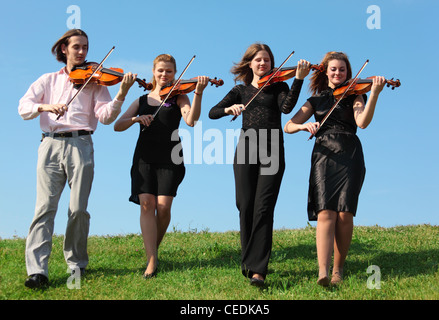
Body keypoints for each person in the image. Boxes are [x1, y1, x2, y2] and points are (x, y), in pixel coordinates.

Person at [18, 29, 136, 289]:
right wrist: (46, 107)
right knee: (44, 208)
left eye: (85, 47)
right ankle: (37, 271)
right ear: (64, 49)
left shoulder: (95, 82)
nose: (82, 52)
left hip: (81, 144)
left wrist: (121, 93)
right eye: (77, 47)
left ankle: (76, 264)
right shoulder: (47, 80)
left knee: (78, 209)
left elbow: (105, 117)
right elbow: (23, 107)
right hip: (49, 143)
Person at [209, 43, 309, 286]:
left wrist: (298, 79)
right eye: (258, 60)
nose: (263, 63)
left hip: (272, 145)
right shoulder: (240, 89)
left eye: (266, 60)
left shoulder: (279, 86)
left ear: (271, 64)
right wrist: (227, 109)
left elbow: (287, 108)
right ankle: (248, 260)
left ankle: (258, 270)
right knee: (245, 204)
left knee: (264, 207)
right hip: (246, 145)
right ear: (250, 63)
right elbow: (212, 112)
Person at [284, 51, 386, 286]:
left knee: (344, 212)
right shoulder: (316, 100)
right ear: (325, 72)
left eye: (342, 69)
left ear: (348, 73)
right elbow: (289, 124)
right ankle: (323, 272)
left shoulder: (356, 95)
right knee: (325, 212)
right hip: (323, 154)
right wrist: (302, 127)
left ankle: (338, 270)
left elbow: (362, 122)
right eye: (333, 69)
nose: (338, 73)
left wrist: (375, 94)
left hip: (349, 152)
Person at [114, 54, 208, 278]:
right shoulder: (142, 100)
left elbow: (191, 120)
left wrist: (199, 93)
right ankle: (152, 260)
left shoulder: (179, 97)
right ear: (154, 72)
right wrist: (136, 119)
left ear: (175, 74)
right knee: (147, 204)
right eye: (161, 71)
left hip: (171, 156)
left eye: (169, 71)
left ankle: (152, 250)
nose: (165, 75)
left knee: (163, 207)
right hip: (144, 157)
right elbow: (118, 125)